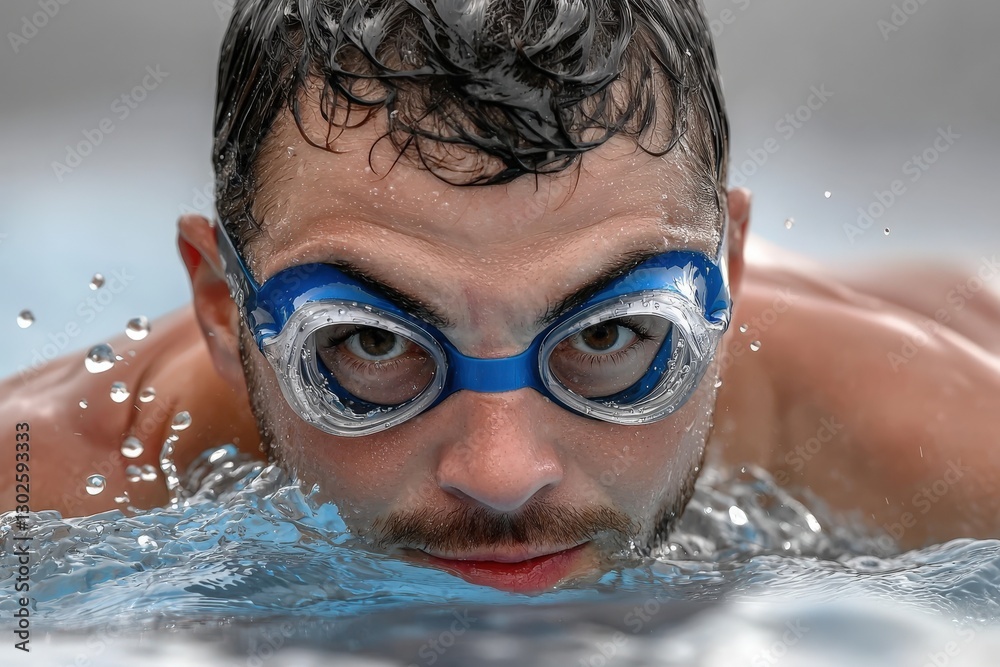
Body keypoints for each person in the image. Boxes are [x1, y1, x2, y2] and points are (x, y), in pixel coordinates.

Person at [3, 0, 999, 593]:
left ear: (729, 278)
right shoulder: (38, 507)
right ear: (225, 308)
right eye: (372, 346)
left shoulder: (945, 454)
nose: (502, 472)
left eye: (610, 333)